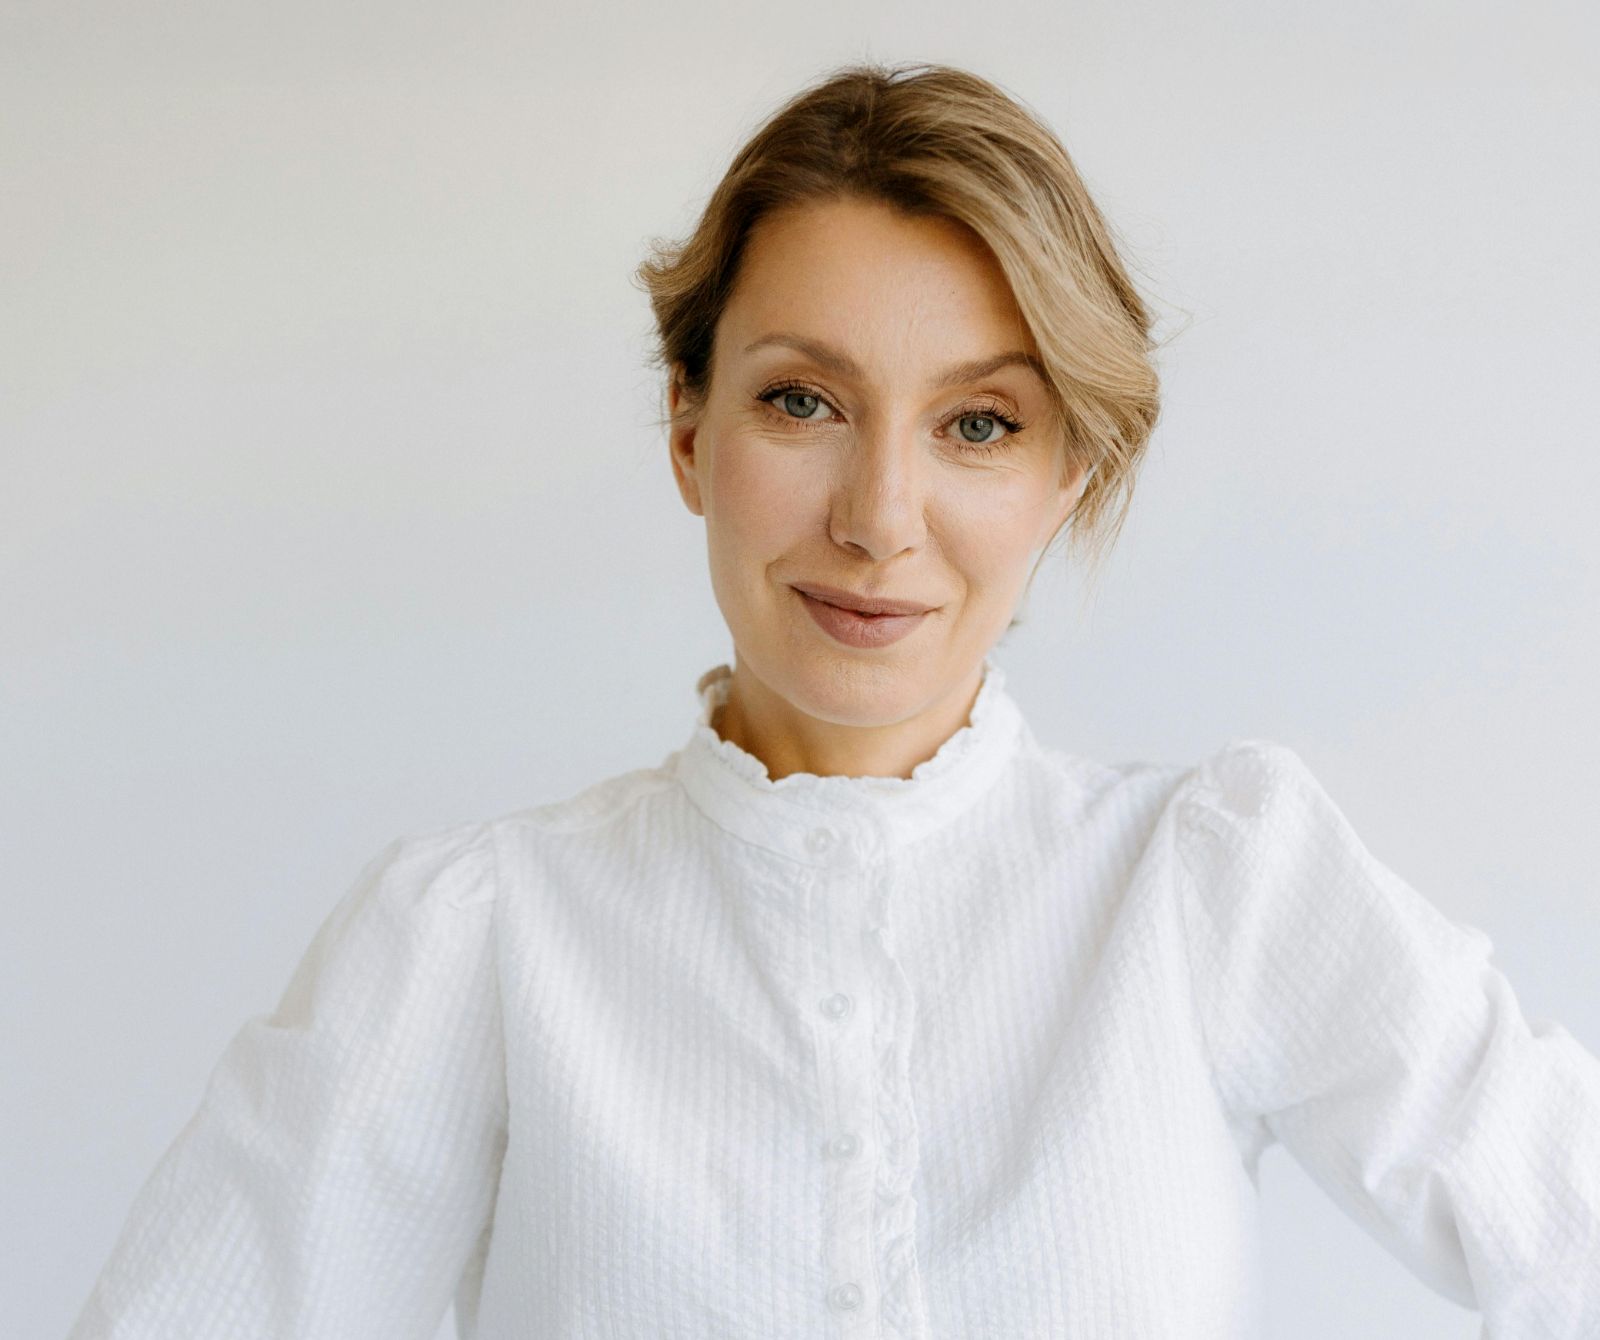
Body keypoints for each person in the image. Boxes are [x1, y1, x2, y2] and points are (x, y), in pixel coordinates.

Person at [67, 60, 1600, 1340]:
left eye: (979, 424)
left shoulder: (1213, 888)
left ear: (1069, 476)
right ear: (688, 428)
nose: (878, 518)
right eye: (802, 401)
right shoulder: (474, 942)